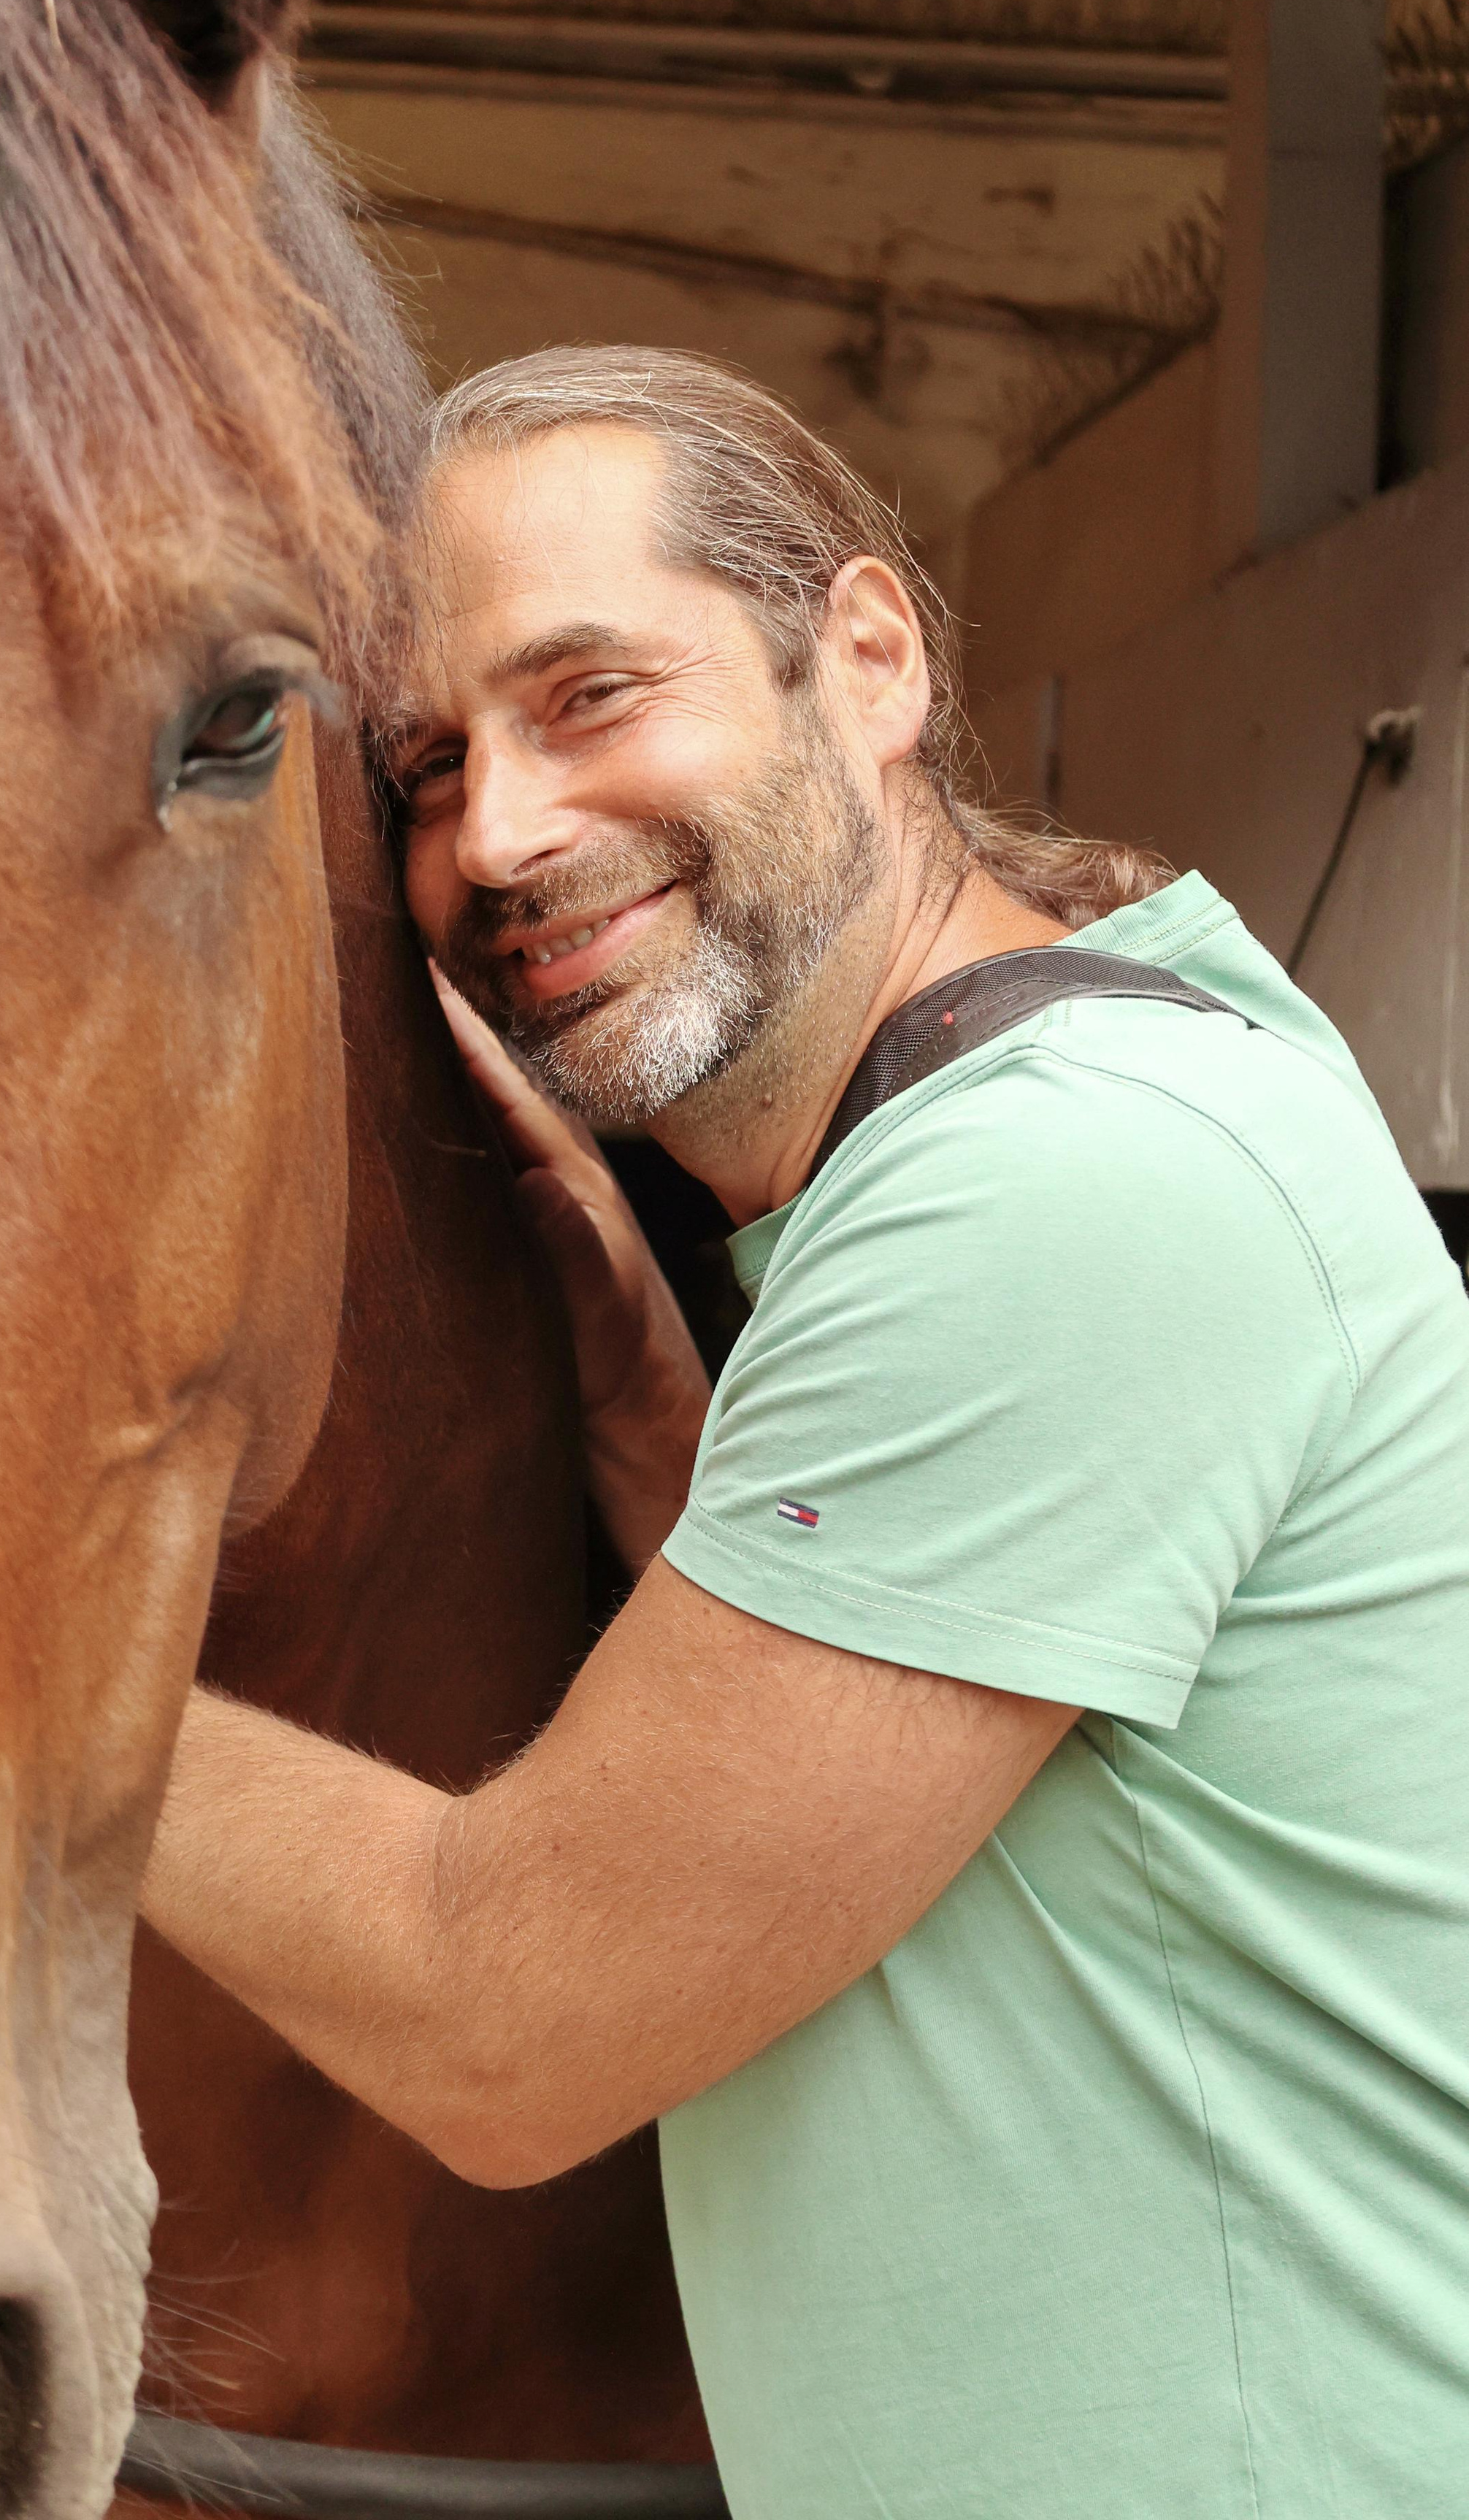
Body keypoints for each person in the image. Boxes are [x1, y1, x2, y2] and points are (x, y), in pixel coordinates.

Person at [142, 346, 1469, 2519]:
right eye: (427, 763)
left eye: (587, 696)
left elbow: (508, 2020)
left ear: (865, 661)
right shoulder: (1077, 1096)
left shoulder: (1066, 1185)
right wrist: (677, 1401)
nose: (502, 832)